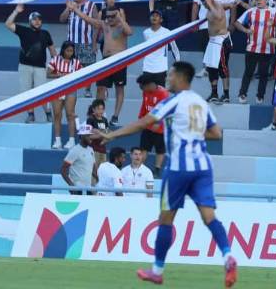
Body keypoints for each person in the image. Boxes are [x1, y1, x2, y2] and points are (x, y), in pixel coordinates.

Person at [94, 60, 238, 287]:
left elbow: (144, 122)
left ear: (180, 77)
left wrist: (112, 135)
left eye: (170, 75)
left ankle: (157, 270)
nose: (167, 79)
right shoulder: (201, 103)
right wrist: (192, 133)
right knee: (209, 217)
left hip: (179, 167)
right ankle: (228, 256)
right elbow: (216, 133)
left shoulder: (173, 102)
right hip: (203, 166)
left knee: (165, 219)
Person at [4, 4, 55, 123]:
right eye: (34, 19)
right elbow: (7, 24)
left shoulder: (45, 34)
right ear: (30, 21)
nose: (37, 22)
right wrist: (16, 11)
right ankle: (31, 114)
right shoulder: (23, 30)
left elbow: (52, 51)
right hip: (24, 66)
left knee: (42, 92)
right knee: (26, 92)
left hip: (40, 67)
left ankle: (48, 113)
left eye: (39, 19)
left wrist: (56, 65)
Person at [96, 0, 132, 125]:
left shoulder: (120, 13)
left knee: (119, 88)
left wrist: (120, 17)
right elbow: (95, 25)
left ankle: (115, 116)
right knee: (101, 86)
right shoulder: (103, 18)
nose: (111, 0)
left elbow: (128, 32)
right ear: (105, 0)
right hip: (106, 55)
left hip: (120, 57)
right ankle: (101, 115)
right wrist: (94, 43)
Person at [48, 41, 82, 148]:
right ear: (63, 50)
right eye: (68, 50)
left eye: (71, 51)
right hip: (57, 89)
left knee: (70, 114)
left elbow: (81, 75)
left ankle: (71, 141)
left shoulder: (76, 62)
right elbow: (48, 73)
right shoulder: (55, 59)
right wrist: (59, 75)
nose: (69, 53)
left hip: (71, 90)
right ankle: (57, 140)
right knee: (57, 115)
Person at [60, 124, 97, 194]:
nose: (91, 137)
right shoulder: (75, 150)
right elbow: (63, 170)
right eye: (88, 135)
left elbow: (93, 168)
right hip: (77, 188)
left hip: (88, 188)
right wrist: (71, 185)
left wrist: (99, 180)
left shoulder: (91, 149)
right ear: (82, 136)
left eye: (91, 135)